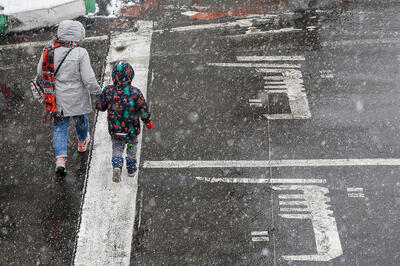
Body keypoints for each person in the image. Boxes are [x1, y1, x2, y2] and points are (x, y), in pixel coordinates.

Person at [37, 20, 101, 177]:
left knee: (60, 127)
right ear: (77, 35)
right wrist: (98, 91)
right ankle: (82, 143)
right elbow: (88, 79)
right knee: (81, 121)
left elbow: (40, 71)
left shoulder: (49, 50)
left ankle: (60, 160)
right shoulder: (80, 53)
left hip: (57, 99)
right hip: (77, 98)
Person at [96, 61, 153, 183]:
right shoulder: (135, 93)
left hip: (115, 129)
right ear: (130, 76)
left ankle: (117, 166)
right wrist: (147, 121)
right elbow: (143, 110)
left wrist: (102, 101)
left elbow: (100, 106)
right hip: (131, 130)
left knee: (117, 147)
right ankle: (131, 169)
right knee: (132, 147)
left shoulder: (108, 91)